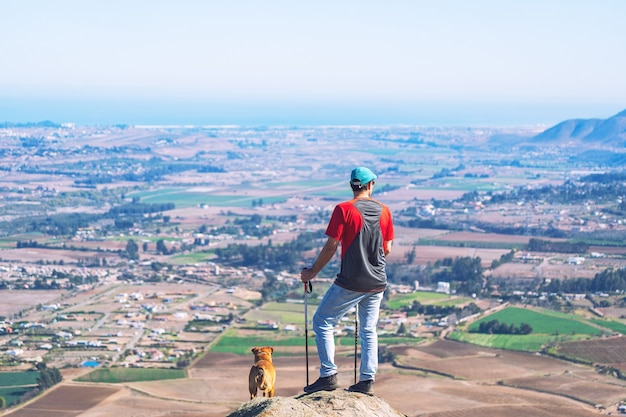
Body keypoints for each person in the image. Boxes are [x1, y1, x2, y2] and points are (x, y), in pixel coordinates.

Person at [300, 166, 394, 396]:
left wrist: (311, 272)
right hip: (377, 281)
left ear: (352, 186)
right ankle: (366, 380)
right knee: (369, 330)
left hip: (351, 280)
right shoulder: (385, 211)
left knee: (323, 321)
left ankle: (328, 375)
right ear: (370, 185)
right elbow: (387, 249)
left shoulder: (343, 210)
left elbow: (331, 245)